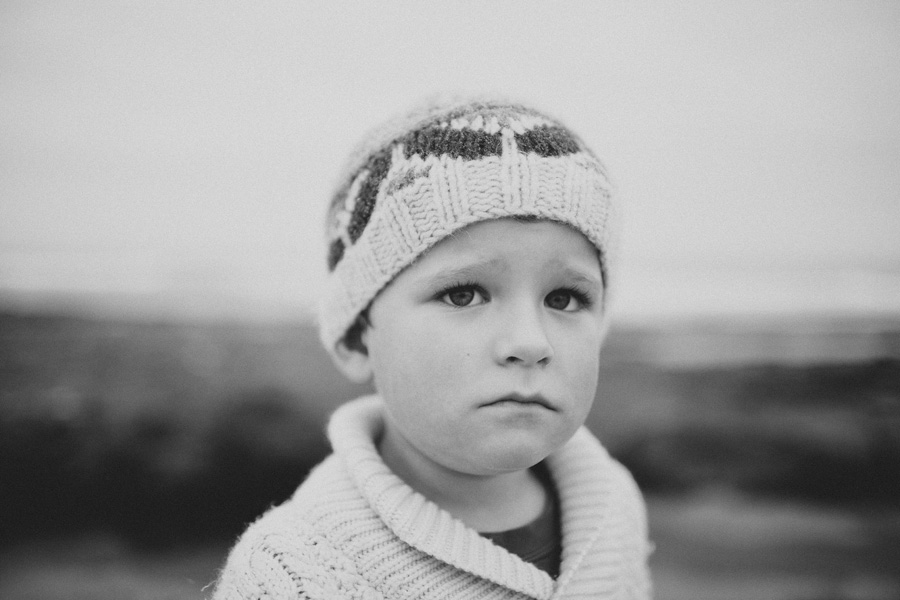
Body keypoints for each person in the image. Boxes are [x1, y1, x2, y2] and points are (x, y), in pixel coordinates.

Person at [212, 97, 652, 599]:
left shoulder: (613, 506)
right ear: (357, 337)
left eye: (564, 298)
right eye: (463, 294)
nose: (530, 342)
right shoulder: (295, 574)